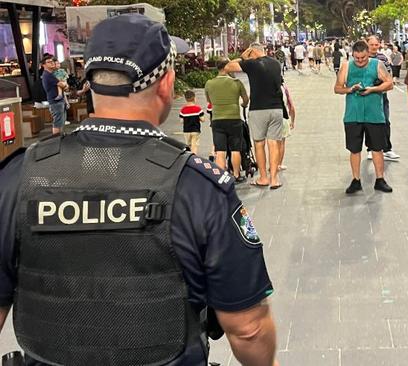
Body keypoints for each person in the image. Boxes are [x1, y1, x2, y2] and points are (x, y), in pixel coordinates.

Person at [0, 14, 278, 366]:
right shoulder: (199, 187)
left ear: (92, 83)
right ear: (166, 84)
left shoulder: (20, 178)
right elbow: (249, 328)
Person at [334, 40, 394, 194]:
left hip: (374, 114)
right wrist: (350, 89)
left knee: (377, 148)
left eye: (363, 58)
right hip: (353, 115)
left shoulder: (377, 64)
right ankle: (356, 180)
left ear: (368, 53)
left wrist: (373, 89)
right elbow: (337, 88)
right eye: (357, 58)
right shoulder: (346, 66)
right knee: (354, 149)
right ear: (352, 55)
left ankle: (380, 179)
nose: (360, 61)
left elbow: (390, 84)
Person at [225, 43, 285, 189]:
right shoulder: (276, 63)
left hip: (258, 109)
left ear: (252, 52)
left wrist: (242, 57)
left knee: (259, 144)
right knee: (274, 143)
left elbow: (227, 67)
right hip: (276, 108)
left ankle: (263, 178)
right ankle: (274, 179)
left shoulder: (252, 64)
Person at [205, 58, 249, 183]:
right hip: (234, 119)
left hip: (217, 120)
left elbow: (209, 101)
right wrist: (243, 105)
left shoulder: (209, 83)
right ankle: (236, 174)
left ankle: (221, 177)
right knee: (236, 149)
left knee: (220, 150)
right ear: (226, 67)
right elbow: (246, 100)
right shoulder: (236, 82)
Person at [367, 35, 400, 161]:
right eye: (372, 45)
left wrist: (385, 84)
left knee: (385, 121)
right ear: (367, 45)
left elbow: (388, 75)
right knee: (370, 123)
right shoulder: (362, 58)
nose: (374, 47)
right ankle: (371, 149)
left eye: (376, 45)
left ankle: (387, 149)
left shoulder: (383, 57)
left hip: (382, 94)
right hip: (368, 96)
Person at [40, 55, 68, 134]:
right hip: (55, 101)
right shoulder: (48, 75)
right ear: (44, 65)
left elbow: (64, 86)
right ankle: (56, 140)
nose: (52, 63)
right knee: (58, 123)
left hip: (59, 101)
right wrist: (65, 85)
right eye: (49, 62)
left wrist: (64, 85)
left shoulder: (53, 74)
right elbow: (62, 85)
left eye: (52, 61)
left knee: (61, 122)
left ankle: (61, 139)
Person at [179, 90, 205, 154]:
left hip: (186, 130)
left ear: (185, 99)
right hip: (195, 130)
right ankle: (194, 157)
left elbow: (181, 121)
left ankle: (188, 157)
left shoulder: (183, 110)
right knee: (194, 145)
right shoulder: (198, 109)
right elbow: (203, 119)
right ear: (194, 98)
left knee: (189, 145)